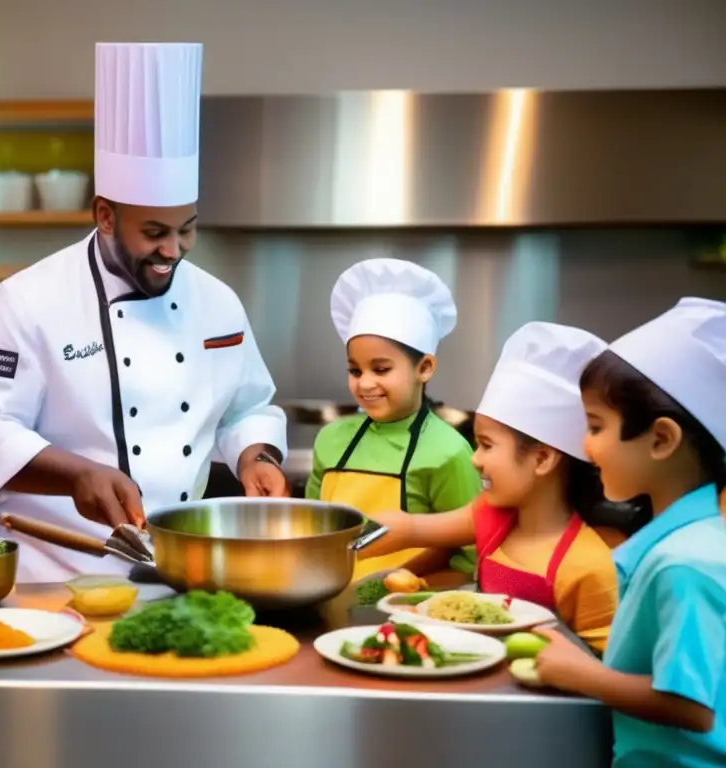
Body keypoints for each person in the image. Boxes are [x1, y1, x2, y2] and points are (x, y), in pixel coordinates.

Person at [0, 42, 288, 582]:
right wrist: (75, 474)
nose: (173, 250)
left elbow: (247, 408)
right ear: (104, 216)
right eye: (153, 233)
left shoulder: (217, 301)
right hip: (63, 578)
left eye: (186, 229)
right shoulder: (25, 302)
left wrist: (257, 456)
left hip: (187, 572)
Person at [533, 298, 726, 766]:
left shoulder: (685, 564)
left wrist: (581, 673)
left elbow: (691, 708)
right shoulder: (686, 541)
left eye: (596, 426)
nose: (585, 444)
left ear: (661, 439)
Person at [363, 322, 634, 653]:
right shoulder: (492, 516)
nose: (475, 460)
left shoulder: (589, 566)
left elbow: (606, 665)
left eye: (487, 446)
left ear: (543, 458)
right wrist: (345, 542)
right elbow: (410, 527)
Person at [307, 258, 480, 584]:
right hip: (325, 594)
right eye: (355, 370)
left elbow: (466, 559)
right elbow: (312, 535)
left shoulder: (449, 452)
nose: (365, 383)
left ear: (425, 368)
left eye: (381, 369)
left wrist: (382, 592)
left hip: (402, 609)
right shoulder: (330, 440)